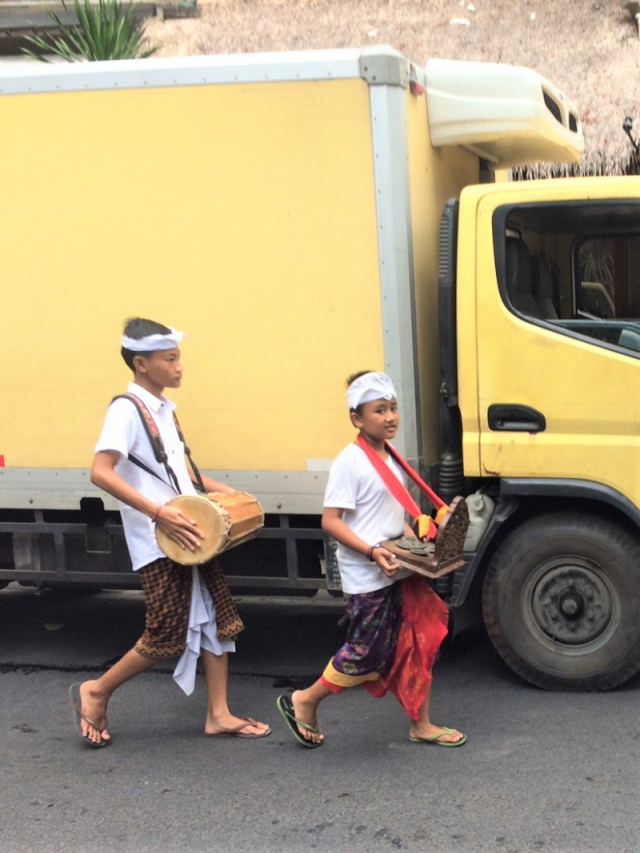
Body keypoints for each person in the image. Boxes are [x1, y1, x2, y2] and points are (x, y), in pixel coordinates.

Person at [70, 318, 270, 747]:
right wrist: (158, 513)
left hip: (189, 534)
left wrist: (225, 493)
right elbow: (100, 472)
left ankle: (218, 714)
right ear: (141, 364)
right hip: (160, 540)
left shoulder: (164, 411)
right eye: (170, 359)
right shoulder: (126, 409)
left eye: (178, 357)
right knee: (165, 634)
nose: (180, 367)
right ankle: (97, 689)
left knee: (217, 617)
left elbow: (183, 476)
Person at [276, 371, 465, 748]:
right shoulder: (351, 461)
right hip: (368, 575)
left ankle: (421, 724)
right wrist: (372, 552)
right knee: (366, 654)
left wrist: (415, 548)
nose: (391, 417)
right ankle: (304, 699)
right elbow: (330, 521)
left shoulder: (391, 456)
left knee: (422, 636)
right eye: (379, 410)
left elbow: (391, 514)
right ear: (357, 419)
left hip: (397, 569)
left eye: (393, 408)